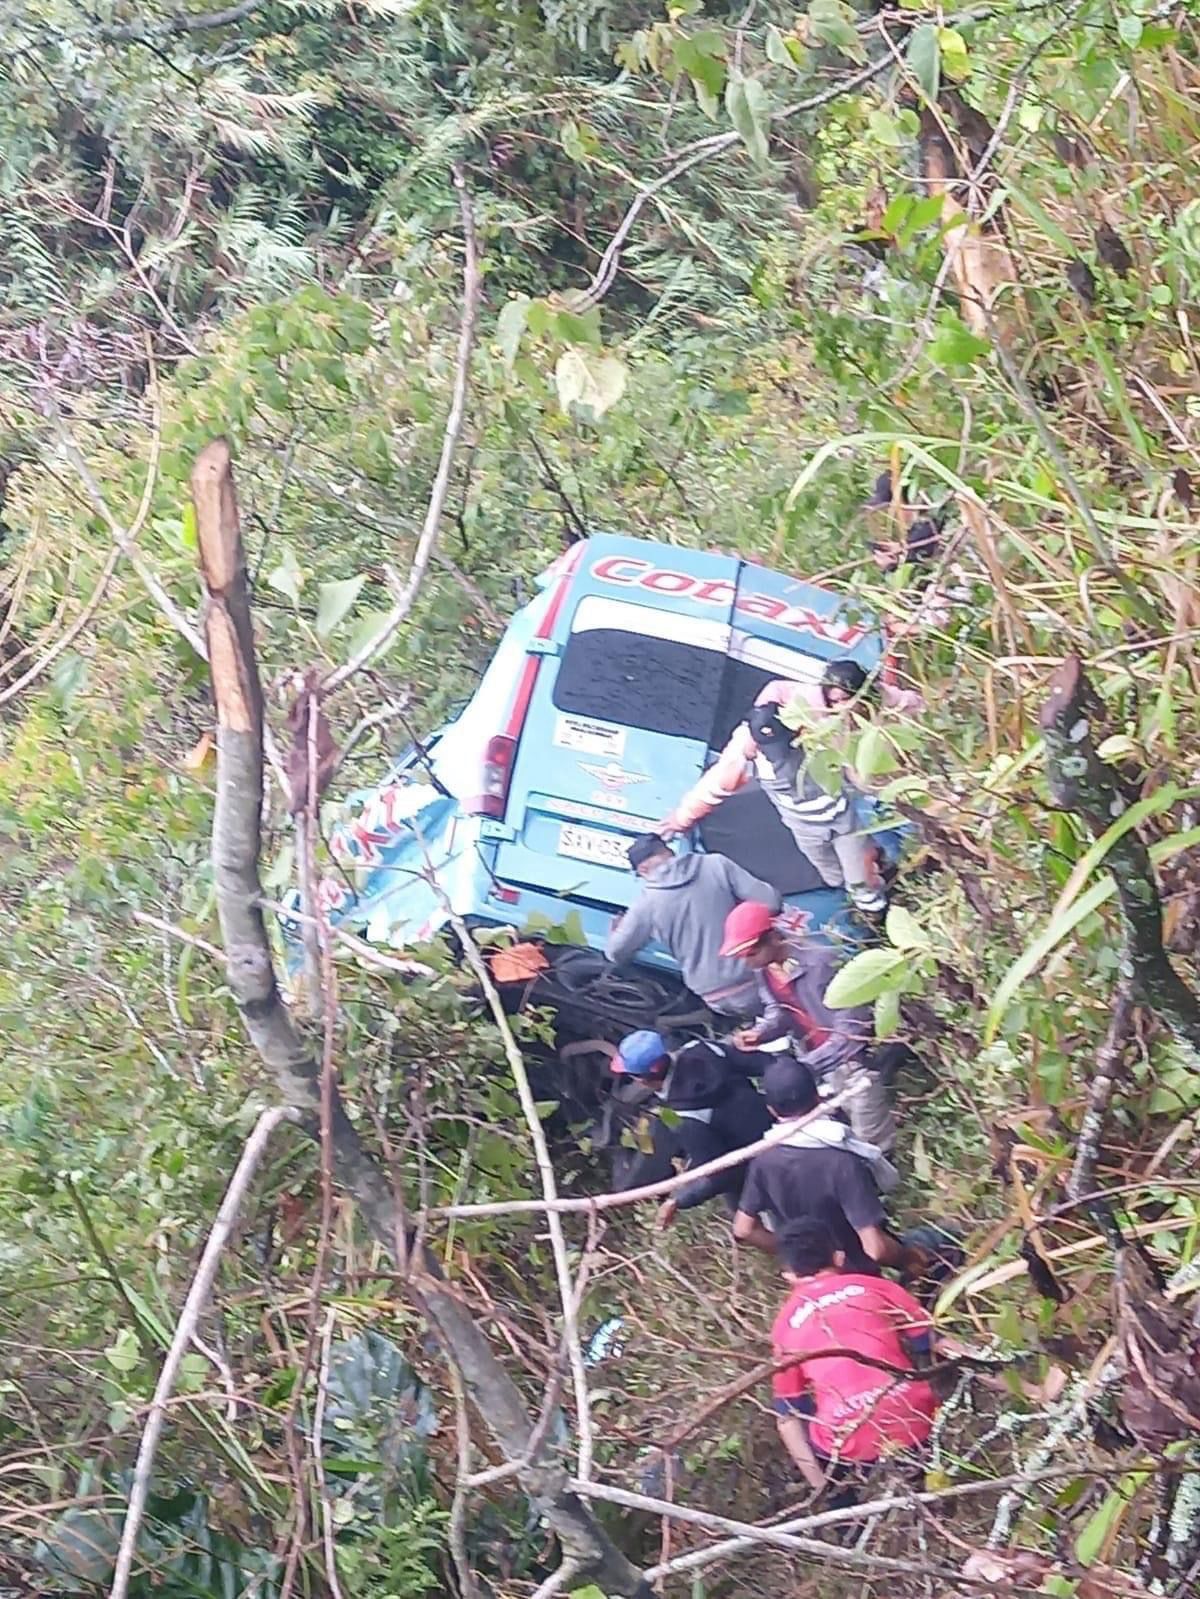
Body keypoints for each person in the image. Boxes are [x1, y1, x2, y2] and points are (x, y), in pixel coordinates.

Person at [659, 664, 896, 917]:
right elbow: (714, 784)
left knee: (861, 884)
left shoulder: (816, 729)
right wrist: (682, 818)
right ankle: (869, 871)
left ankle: (878, 910)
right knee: (833, 877)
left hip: (843, 820)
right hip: (803, 828)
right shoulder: (748, 750)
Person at [770, 1216, 941, 1492]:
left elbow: (788, 1417)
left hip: (848, 1445)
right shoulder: (877, 1286)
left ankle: (843, 1512)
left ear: (788, 1275)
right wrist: (1026, 1388)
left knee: (809, 1426)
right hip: (914, 1420)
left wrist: (821, 1490)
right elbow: (939, 1343)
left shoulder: (784, 1326)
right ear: (838, 1258)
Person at [719, 901, 897, 1151]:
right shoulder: (766, 970)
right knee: (846, 1124)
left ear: (773, 939)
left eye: (750, 953)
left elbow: (851, 1029)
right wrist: (761, 1033)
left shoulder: (822, 961)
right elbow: (778, 1009)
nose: (747, 963)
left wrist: (803, 1069)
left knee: (871, 1132)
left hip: (852, 1059)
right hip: (818, 1057)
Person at [731, 1057, 922, 1274]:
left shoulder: (762, 1162)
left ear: (771, 1110)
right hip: (858, 1274)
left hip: (811, 1276)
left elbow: (744, 1229)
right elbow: (876, 1249)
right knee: (935, 1238)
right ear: (818, 1098)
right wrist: (908, 1259)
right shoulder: (840, 1160)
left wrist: (799, 1255)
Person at [605, 835, 781, 1017]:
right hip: (754, 978)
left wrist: (617, 931)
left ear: (643, 869)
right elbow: (771, 902)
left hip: (713, 995)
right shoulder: (716, 865)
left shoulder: (646, 904)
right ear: (669, 852)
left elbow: (616, 953)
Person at [610, 1029, 771, 1227]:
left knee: (740, 1219)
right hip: (775, 1124)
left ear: (642, 1078)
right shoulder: (703, 1048)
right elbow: (764, 1064)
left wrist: (679, 1200)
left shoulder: (680, 1117)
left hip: (755, 1162)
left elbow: (720, 1173)